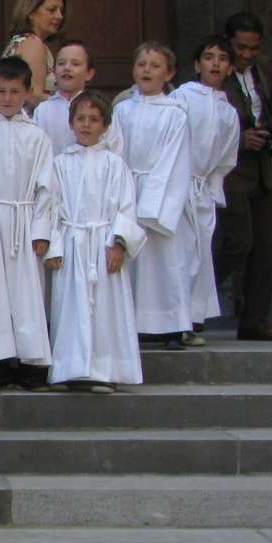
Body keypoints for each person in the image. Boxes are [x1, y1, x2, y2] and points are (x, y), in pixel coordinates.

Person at [0, 56, 54, 390]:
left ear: (27, 92)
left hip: (24, 219)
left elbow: (47, 188)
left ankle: (31, 364)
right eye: (0, 91)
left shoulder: (38, 136)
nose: (6, 98)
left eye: (15, 91)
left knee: (28, 292)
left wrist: (42, 230)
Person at [45, 94, 144, 392]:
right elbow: (51, 208)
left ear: (106, 125)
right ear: (71, 123)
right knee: (70, 308)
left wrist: (119, 244)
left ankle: (104, 370)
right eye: (80, 119)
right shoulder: (60, 164)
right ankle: (70, 369)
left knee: (105, 309)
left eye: (94, 119)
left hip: (103, 245)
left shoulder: (115, 165)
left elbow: (126, 208)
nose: (86, 125)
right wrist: (54, 246)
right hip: (73, 244)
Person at [216, 11, 272, 341]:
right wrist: (240, 140)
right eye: (241, 47)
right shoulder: (216, 74)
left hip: (261, 171)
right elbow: (206, 124)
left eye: (253, 48)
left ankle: (255, 319)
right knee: (236, 243)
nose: (247, 55)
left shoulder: (262, 72)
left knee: (264, 246)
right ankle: (192, 307)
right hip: (231, 172)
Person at [112, 42, 192, 351]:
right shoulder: (122, 110)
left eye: (155, 65)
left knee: (165, 262)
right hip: (129, 188)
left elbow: (174, 160)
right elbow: (116, 152)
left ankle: (172, 325)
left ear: (169, 73)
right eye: (142, 64)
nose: (147, 70)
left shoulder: (175, 114)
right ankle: (136, 323)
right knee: (133, 261)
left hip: (161, 195)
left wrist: (154, 205)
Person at [174, 37, 240, 343]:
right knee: (182, 253)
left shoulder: (228, 112)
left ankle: (195, 315)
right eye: (209, 57)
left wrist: (211, 187)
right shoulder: (182, 98)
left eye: (222, 59)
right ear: (197, 64)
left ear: (229, 68)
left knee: (201, 254)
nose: (215, 63)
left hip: (202, 189)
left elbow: (226, 157)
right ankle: (177, 316)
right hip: (178, 185)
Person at [3, 0, 66, 110]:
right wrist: (67, 104)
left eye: (61, 10)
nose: (59, 16)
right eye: (52, 10)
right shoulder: (33, 44)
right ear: (30, 12)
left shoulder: (21, 41)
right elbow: (33, 96)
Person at [33, 40, 95, 155]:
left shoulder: (97, 109)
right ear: (54, 72)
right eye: (61, 63)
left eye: (75, 64)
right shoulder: (42, 110)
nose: (67, 68)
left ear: (89, 74)